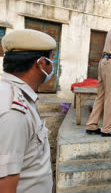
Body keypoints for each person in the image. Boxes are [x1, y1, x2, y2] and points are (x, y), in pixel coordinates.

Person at [0, 29, 56, 192]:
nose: (53, 65)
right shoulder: (14, 111)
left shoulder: (17, 95)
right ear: (40, 63)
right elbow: (5, 184)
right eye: (51, 59)